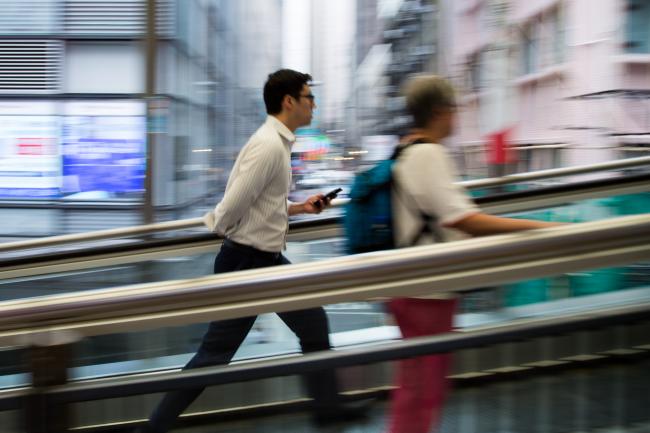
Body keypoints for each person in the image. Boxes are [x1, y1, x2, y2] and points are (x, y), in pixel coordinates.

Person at [140, 69, 366, 433]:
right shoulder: (268, 146)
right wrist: (226, 233)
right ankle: (151, 427)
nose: (314, 104)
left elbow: (263, 202)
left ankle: (328, 409)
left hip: (265, 259)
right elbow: (231, 206)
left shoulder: (278, 143)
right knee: (214, 355)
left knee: (313, 323)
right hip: (247, 261)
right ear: (289, 101)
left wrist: (300, 208)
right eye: (309, 97)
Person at [385, 75, 561, 433]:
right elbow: (465, 219)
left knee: (419, 388)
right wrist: (540, 228)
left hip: (416, 288)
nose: (457, 117)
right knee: (421, 393)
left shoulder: (407, 149)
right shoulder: (429, 154)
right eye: (454, 109)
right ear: (439, 111)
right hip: (426, 293)